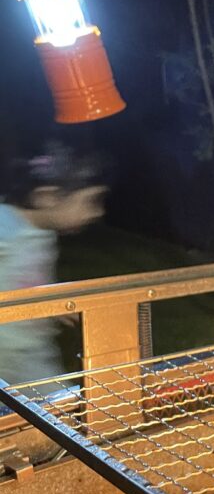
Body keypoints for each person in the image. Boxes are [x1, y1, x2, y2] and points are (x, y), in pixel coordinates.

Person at [0, 144, 107, 386]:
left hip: (33, 351)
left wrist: (50, 300)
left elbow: (24, 277)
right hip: (6, 354)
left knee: (59, 406)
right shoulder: (5, 223)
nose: (97, 212)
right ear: (47, 197)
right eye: (91, 201)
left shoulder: (43, 232)